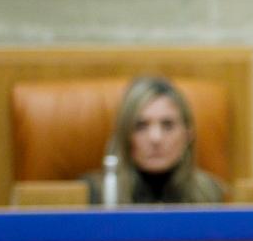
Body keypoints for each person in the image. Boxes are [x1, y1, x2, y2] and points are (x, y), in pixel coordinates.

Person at [81, 76, 226, 205]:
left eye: (167, 125)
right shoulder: (93, 195)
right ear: (124, 134)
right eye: (141, 126)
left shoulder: (212, 195)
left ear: (188, 134)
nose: (155, 138)